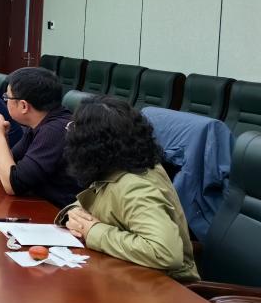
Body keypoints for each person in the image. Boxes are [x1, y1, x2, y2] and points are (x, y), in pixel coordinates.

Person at [59, 96, 199, 282]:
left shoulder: (136, 186)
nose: (69, 131)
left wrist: (93, 231)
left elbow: (165, 252)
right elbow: (95, 202)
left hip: (164, 287)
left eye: (74, 128)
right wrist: (73, 214)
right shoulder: (114, 166)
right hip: (126, 273)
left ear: (92, 143)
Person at [0, 67, 80, 208]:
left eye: (7, 97)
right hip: (41, 204)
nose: (5, 101)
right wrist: (2, 136)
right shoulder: (41, 124)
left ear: (24, 105)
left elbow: (13, 185)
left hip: (58, 212)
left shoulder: (54, 131)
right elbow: (6, 172)